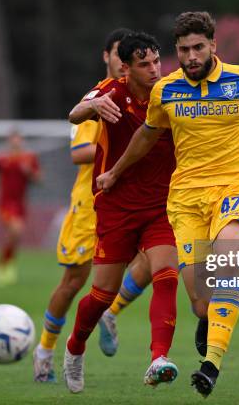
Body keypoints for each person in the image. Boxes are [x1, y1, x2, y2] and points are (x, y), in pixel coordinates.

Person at [96, 12, 239, 397]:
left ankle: (211, 365)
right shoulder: (166, 92)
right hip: (186, 200)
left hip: (236, 188)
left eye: (198, 47)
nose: (191, 56)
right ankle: (208, 318)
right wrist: (114, 172)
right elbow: (147, 137)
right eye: (183, 50)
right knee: (199, 304)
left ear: (213, 46)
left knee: (228, 262)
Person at [32, 28, 152, 383]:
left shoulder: (146, 94)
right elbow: (78, 153)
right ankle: (44, 353)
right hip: (91, 204)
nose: (123, 62)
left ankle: (111, 313)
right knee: (73, 281)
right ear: (107, 57)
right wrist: (131, 147)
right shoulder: (99, 97)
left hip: (133, 201)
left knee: (158, 257)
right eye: (118, 54)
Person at [63, 32, 179, 393]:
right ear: (126, 69)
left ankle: (158, 357)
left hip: (160, 206)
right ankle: (75, 348)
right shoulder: (111, 91)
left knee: (167, 274)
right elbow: (74, 113)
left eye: (157, 61)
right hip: (116, 206)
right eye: (145, 64)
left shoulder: (172, 93)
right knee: (101, 295)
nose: (154, 69)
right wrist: (93, 107)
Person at [0, 129, 40, 287]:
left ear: (21, 141)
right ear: (9, 141)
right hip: (5, 203)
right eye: (13, 139)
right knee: (16, 230)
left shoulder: (29, 158)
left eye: (18, 139)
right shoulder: (0, 158)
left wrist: (29, 173)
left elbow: (39, 179)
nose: (16, 142)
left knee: (14, 236)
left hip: (21, 203)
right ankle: (2, 264)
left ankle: (6, 263)